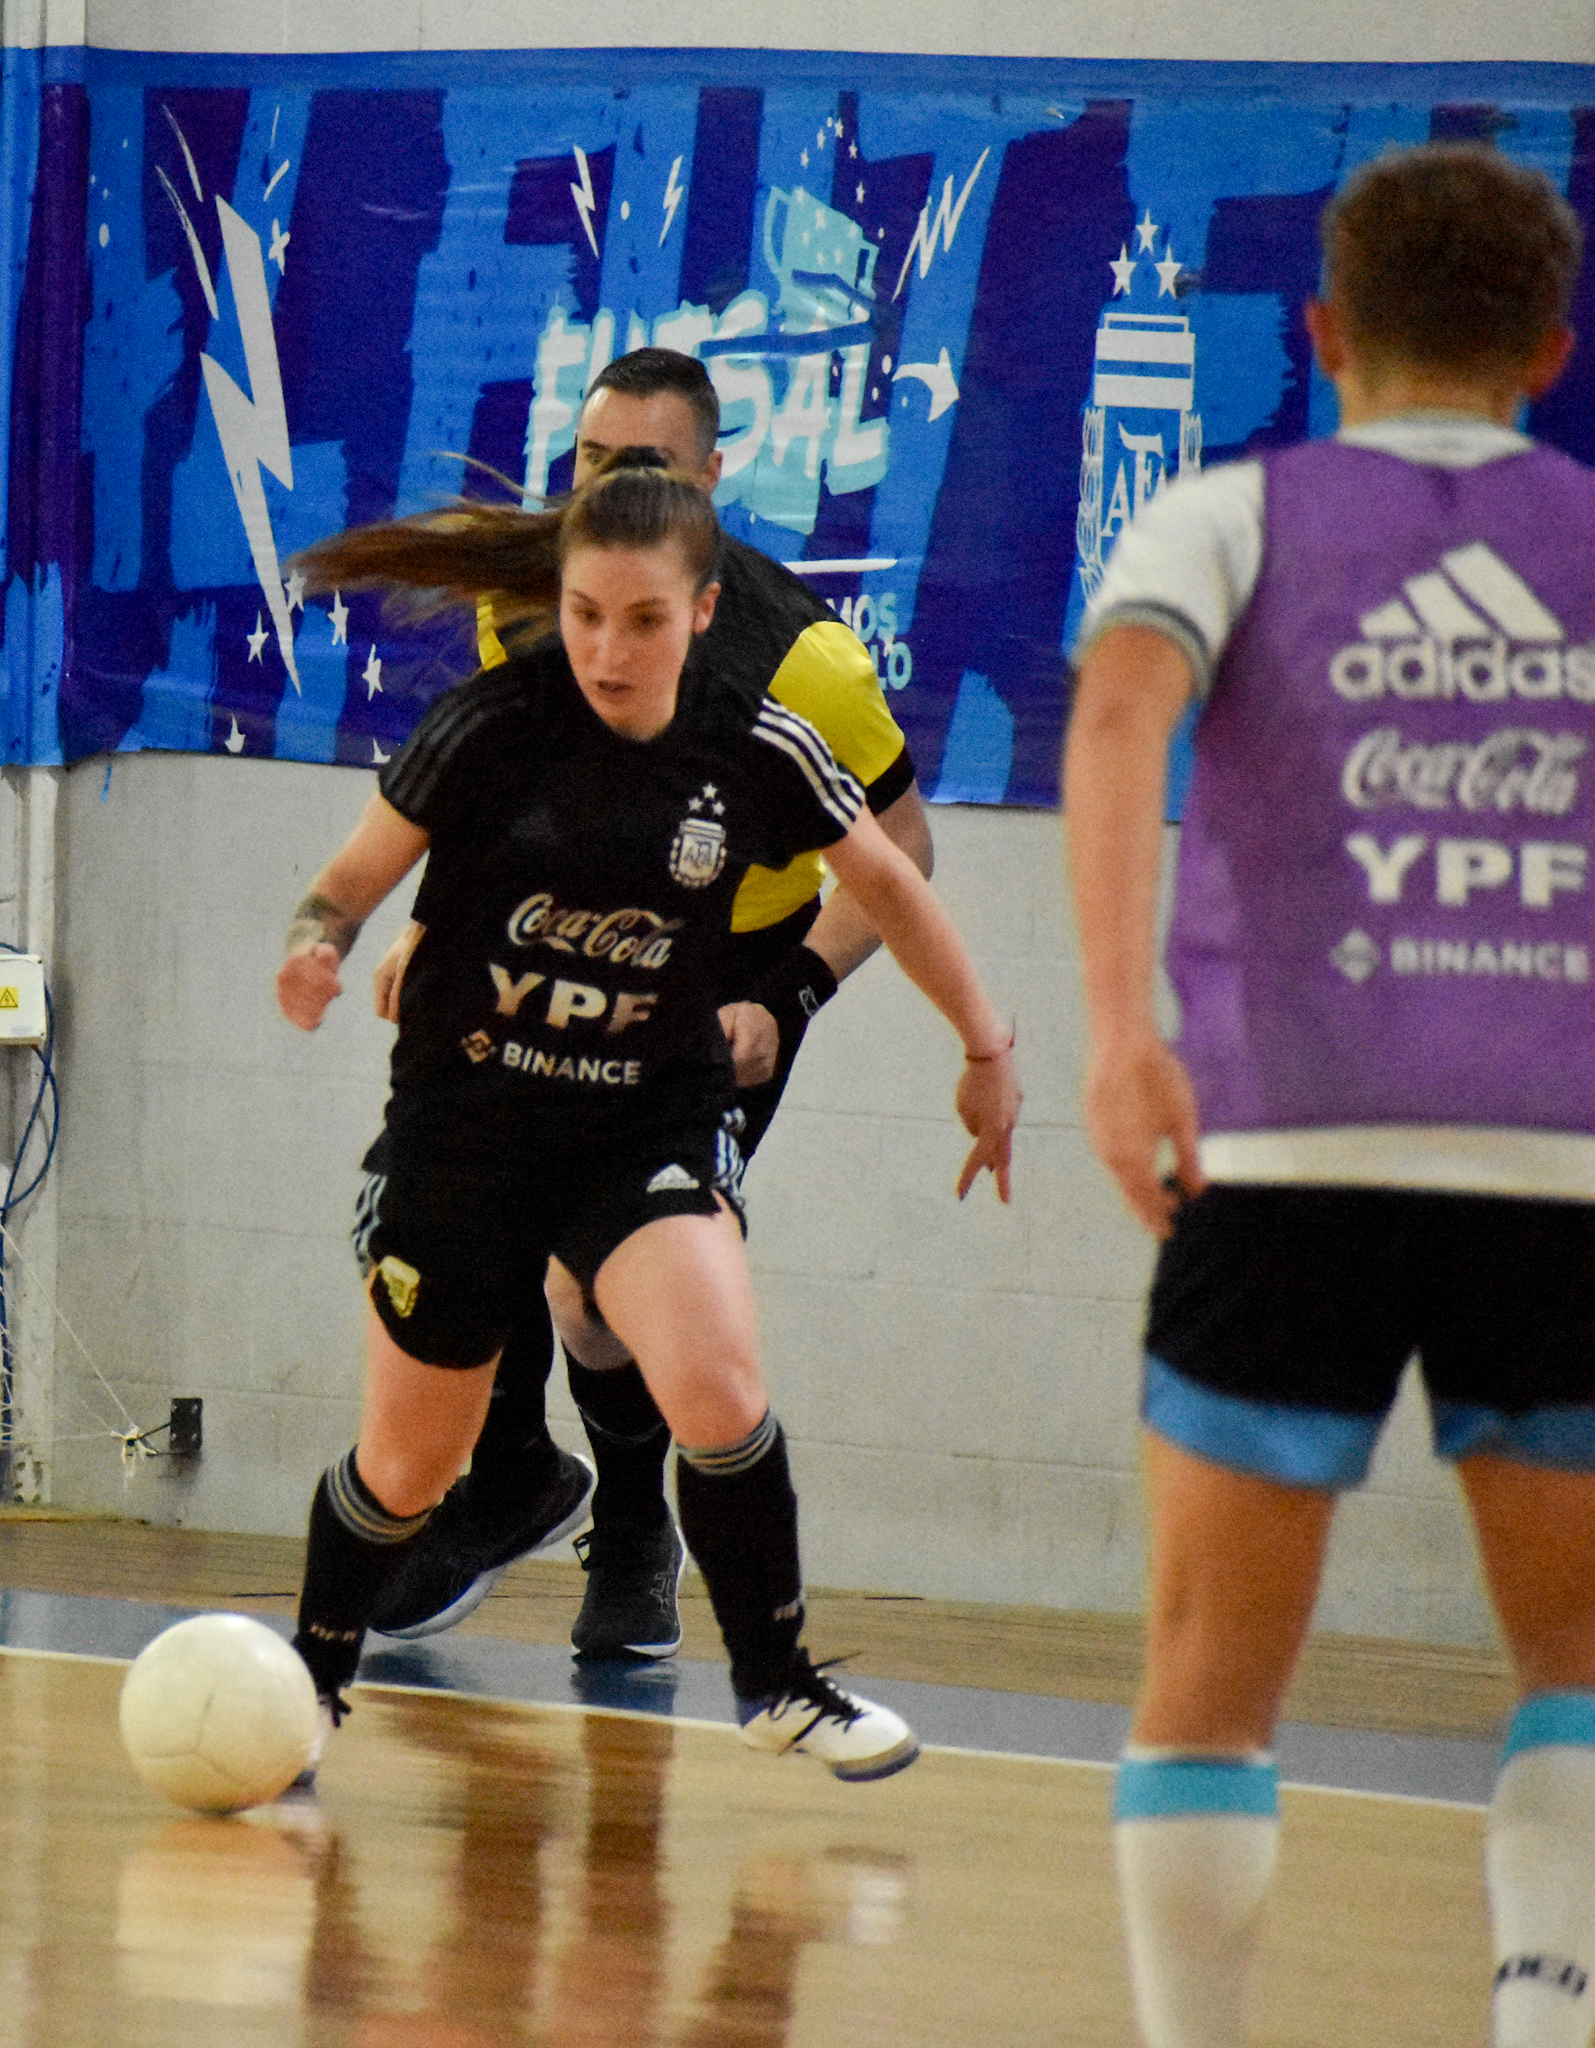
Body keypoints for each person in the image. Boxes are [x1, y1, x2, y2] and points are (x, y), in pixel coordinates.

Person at [1067, 142, 1595, 2048]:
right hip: (1562, 1157)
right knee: (1577, 1668)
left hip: (1283, 1144)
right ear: (1546, 350)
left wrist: (1120, 1027)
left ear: (1321, 331)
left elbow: (1119, 710)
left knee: (1207, 1682)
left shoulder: (1228, 517)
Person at [277, 455, 1017, 1781]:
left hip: (643, 1122)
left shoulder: (756, 744)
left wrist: (986, 1047)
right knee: (409, 1461)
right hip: (473, 1126)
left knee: (720, 1381)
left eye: (644, 622)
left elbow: (896, 885)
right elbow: (347, 884)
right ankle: (311, 1681)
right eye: (584, 617)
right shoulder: (492, 727)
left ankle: (780, 1680)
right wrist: (319, 945)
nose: (609, 653)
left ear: (706, 613)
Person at [363, 348, 935, 1663]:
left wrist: (789, 994)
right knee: (443, 1202)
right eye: (591, 465)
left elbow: (906, 850)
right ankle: (510, 1478)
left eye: (651, 468)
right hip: (563, 939)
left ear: (716, 479)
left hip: (726, 972)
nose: (612, 493)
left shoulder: (808, 662)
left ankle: (632, 1542)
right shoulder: (536, 606)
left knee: (594, 1291)